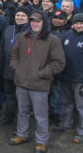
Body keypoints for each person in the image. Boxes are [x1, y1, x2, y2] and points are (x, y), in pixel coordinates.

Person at [9, 10, 65, 153]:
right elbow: (14, 54)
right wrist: (17, 68)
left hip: (40, 84)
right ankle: (22, 134)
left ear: (43, 23)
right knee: (22, 112)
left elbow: (59, 62)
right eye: (33, 21)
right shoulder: (22, 37)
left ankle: (41, 141)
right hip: (21, 82)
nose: (34, 24)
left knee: (41, 115)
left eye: (38, 21)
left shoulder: (52, 40)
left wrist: (42, 74)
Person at [0, 6, 30, 126]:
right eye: (18, 15)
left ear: (28, 18)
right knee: (9, 96)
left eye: (23, 16)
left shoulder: (30, 32)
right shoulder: (9, 29)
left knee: (22, 99)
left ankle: (19, 123)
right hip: (7, 70)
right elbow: (2, 47)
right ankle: (8, 116)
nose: (20, 18)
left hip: (22, 72)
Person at [53, 13, 83, 144]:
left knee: (81, 106)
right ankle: (65, 124)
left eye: (81, 23)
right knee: (66, 103)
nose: (79, 25)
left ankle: (82, 131)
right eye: (76, 23)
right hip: (66, 77)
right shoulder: (67, 36)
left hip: (80, 79)